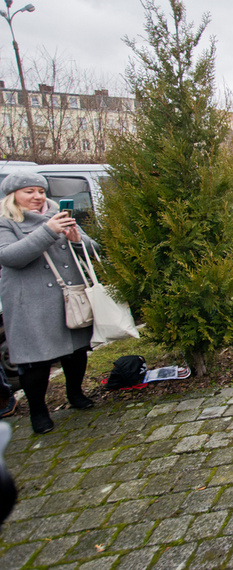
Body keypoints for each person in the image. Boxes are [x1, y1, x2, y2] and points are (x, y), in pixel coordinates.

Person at [0, 172, 99, 434]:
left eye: (40, 191)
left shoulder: (58, 215)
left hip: (69, 298)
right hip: (29, 304)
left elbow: (91, 249)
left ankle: (75, 393)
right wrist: (47, 231)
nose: (37, 196)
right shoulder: (6, 223)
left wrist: (77, 240)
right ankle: (38, 411)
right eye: (28, 191)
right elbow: (9, 257)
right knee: (35, 363)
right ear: (13, 196)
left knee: (76, 351)